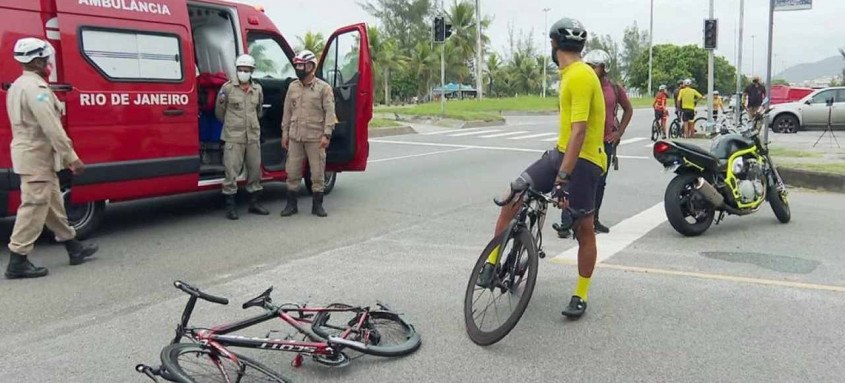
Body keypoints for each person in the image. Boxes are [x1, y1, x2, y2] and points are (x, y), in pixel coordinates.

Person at [476, 17, 605, 319]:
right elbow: (569, 136)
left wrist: (562, 179)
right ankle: (493, 261)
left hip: (585, 162)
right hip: (560, 153)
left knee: (583, 228)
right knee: (513, 193)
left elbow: (580, 132)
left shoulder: (581, 76)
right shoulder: (570, 75)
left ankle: (581, 294)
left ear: (554, 44)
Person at [4, 38, 98, 279]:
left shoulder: (18, 85)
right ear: (36, 61)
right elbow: (52, 128)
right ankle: (18, 259)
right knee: (34, 206)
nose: (49, 64)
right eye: (46, 60)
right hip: (37, 157)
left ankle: (74, 248)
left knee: (53, 205)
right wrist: (71, 157)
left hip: (32, 155)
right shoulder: (37, 90)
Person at [557, 48, 632, 236]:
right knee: (571, 181)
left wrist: (619, 133)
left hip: (604, 143)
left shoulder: (614, 88)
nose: (589, 69)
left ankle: (593, 220)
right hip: (581, 142)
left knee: (599, 183)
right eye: (587, 65)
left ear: (604, 68)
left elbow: (628, 109)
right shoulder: (582, 82)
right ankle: (567, 222)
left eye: (594, 66)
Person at [280, 50, 337, 218]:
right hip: (295, 137)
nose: (298, 68)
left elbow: (330, 113)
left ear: (311, 67)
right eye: (297, 65)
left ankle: (317, 205)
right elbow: (287, 112)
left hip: (315, 138)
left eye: (301, 65)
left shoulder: (323, 88)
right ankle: (291, 205)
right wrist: (285, 133)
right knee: (292, 172)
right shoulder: (292, 87)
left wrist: (327, 134)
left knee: (317, 172)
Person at [215, 54, 269, 220]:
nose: (243, 72)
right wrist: (233, 126)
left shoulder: (257, 89)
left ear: (252, 71)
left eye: (246, 70)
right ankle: (230, 206)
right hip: (233, 137)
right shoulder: (228, 88)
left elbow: (258, 111)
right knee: (231, 171)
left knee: (254, 171)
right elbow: (219, 112)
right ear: (236, 70)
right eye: (240, 69)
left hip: (252, 136)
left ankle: (254, 203)